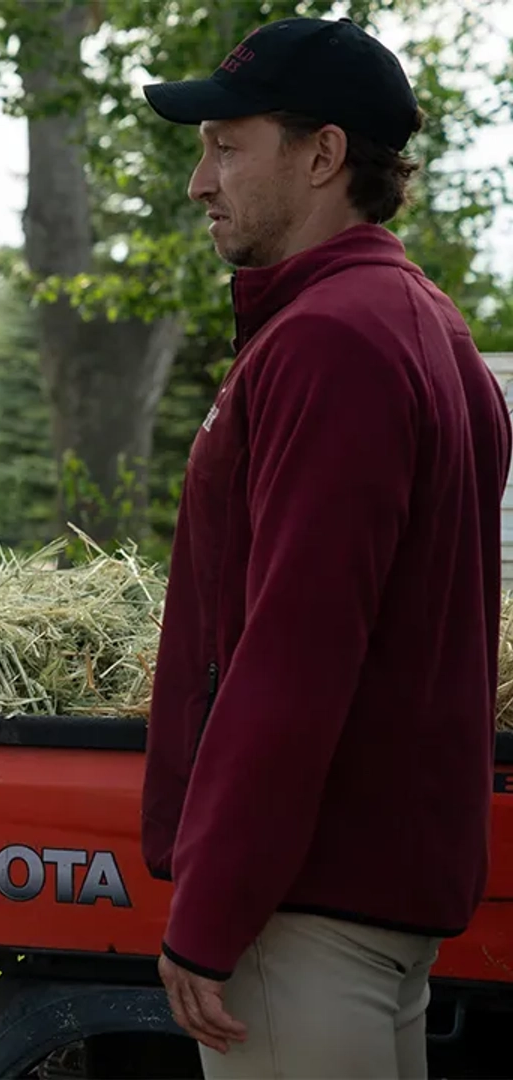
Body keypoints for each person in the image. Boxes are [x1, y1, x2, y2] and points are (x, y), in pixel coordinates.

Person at [141, 18, 510, 1078]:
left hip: (301, 914)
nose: (199, 182)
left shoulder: (329, 342)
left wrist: (210, 909)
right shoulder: (426, 326)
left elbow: (296, 653)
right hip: (374, 906)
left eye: (225, 145)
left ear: (322, 154)